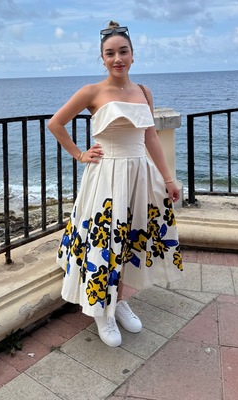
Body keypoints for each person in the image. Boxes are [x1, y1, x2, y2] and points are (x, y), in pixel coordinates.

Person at [48, 21, 183, 347]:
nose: (117, 58)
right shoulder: (91, 92)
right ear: (102, 58)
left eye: (123, 52)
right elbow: (55, 124)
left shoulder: (144, 92)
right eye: (110, 53)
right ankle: (101, 312)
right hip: (107, 178)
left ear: (133, 55)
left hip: (139, 176)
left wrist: (168, 178)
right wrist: (80, 154)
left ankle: (119, 300)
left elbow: (150, 137)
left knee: (129, 242)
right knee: (105, 243)